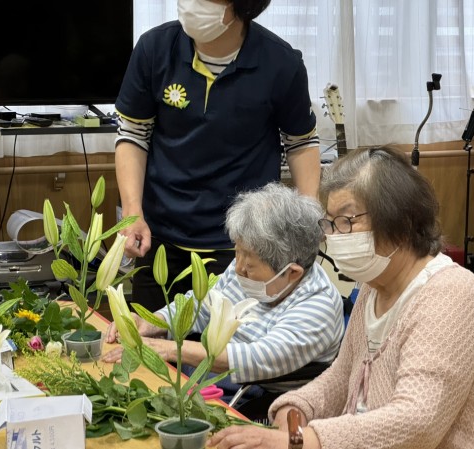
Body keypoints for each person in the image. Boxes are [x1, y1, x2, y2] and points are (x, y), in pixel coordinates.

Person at [208, 147, 474, 449]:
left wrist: (305, 440)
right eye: (330, 223)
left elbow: (417, 422)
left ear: (402, 223)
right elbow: (343, 374)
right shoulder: (375, 286)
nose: (334, 236)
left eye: (347, 221)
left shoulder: (451, 295)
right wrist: (298, 407)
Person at [114, 0, 321, 311]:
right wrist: (133, 214)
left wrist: (310, 223)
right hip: (159, 239)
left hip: (243, 247)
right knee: (149, 336)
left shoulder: (281, 62)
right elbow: (133, 135)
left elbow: (301, 143)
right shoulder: (154, 49)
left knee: (229, 341)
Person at [103, 182, 344, 404]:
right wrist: (153, 322)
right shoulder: (248, 264)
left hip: (257, 396)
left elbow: (256, 358)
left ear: (291, 273)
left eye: (249, 265)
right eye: (237, 252)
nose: (238, 268)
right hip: (211, 372)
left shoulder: (318, 306)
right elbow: (202, 307)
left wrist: (166, 348)